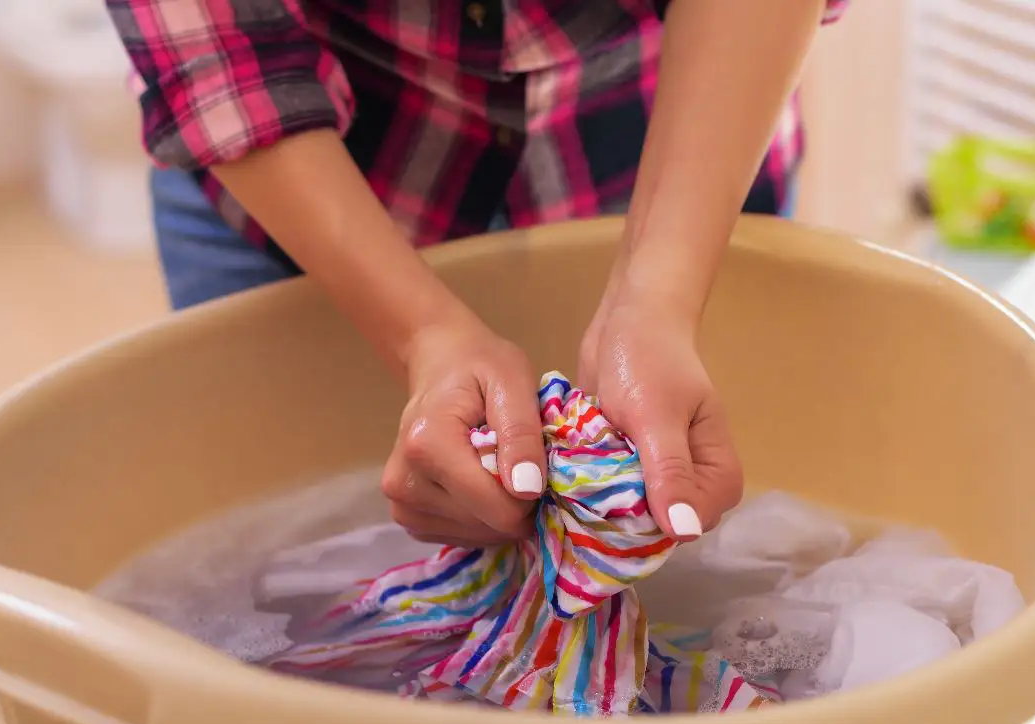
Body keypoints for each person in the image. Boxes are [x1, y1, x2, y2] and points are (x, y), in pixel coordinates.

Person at [107, 0, 846, 551]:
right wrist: (422, 336)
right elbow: (227, 64)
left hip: (661, 130)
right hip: (306, 179)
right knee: (282, 557)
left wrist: (657, 298)